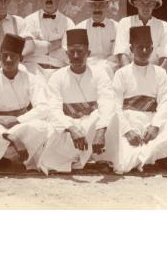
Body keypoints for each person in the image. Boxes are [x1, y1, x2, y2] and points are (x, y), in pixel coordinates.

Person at [0, 33, 54, 172]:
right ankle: (2, 160)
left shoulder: (30, 78)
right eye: (4, 55)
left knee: (41, 128)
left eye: (13, 56)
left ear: (20, 58)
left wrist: (18, 120)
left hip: (21, 125)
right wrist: (8, 134)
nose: (8, 60)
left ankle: (21, 160)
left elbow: (43, 107)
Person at [108, 26, 167, 174]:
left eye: (148, 48)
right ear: (131, 48)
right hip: (129, 121)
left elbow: (164, 102)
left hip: (151, 122)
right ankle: (152, 156)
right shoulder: (121, 73)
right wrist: (127, 131)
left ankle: (148, 156)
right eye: (140, 47)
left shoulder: (160, 73)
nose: (144, 51)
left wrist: (155, 126)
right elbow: (115, 106)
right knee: (123, 166)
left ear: (152, 49)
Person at [40, 28, 116, 173]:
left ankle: (101, 158)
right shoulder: (57, 77)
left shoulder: (100, 74)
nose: (75, 56)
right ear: (66, 54)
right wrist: (72, 128)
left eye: (80, 52)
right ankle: (76, 160)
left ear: (88, 53)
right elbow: (54, 109)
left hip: (93, 126)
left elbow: (107, 102)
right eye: (71, 52)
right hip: (69, 129)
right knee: (51, 152)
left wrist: (100, 131)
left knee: (111, 116)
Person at [23, 0, 75, 79]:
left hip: (58, 71)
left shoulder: (68, 23)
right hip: (34, 70)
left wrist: (38, 45)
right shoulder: (28, 21)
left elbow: (68, 55)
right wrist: (56, 44)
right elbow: (27, 50)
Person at [114, 0, 167, 71]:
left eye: (150, 3)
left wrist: (157, 77)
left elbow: (165, 56)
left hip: (155, 72)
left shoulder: (164, 26)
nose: (146, 7)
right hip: (130, 71)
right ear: (135, 3)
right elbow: (122, 53)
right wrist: (129, 77)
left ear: (154, 4)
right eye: (142, 2)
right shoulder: (125, 23)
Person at [64, 0, 118, 78]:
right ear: (89, 6)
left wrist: (104, 67)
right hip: (85, 69)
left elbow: (117, 55)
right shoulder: (79, 29)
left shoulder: (116, 27)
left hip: (109, 70)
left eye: (101, 4)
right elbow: (70, 54)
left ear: (107, 5)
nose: (97, 9)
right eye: (94, 5)